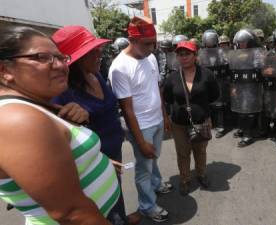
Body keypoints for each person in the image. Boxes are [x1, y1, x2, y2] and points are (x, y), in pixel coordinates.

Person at [0, 26, 120, 225]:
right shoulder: (18, 119)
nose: (60, 65)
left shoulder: (35, 105)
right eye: (42, 57)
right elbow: (71, 213)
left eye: (61, 57)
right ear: (5, 70)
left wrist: (97, 159)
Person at [51, 26, 141, 225]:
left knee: (115, 189)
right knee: (99, 202)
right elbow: (62, 143)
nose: (100, 54)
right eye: (93, 51)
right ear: (76, 59)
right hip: (93, 160)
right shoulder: (63, 93)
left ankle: (122, 219)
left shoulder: (96, 75)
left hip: (114, 150)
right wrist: (101, 160)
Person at [108, 16, 173, 223]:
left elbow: (156, 89)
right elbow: (126, 109)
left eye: (153, 43)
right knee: (143, 167)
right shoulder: (119, 67)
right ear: (131, 40)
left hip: (156, 121)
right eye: (146, 44)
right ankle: (147, 206)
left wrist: (164, 115)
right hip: (140, 127)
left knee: (153, 157)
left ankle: (157, 184)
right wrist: (141, 141)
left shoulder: (150, 57)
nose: (151, 48)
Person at [163, 41, 219, 196]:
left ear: (195, 55)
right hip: (179, 124)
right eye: (180, 54)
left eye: (187, 54)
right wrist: (166, 118)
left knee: (200, 151)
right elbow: (167, 98)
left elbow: (214, 95)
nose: (184, 57)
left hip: (201, 121)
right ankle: (185, 179)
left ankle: (201, 174)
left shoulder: (207, 74)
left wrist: (204, 113)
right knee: (182, 153)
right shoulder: (172, 78)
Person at [230, 29, 264, 147]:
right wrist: (233, 86)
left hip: (252, 85)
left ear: (250, 42)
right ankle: (242, 129)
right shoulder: (236, 52)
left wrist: (247, 58)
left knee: (249, 110)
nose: (242, 44)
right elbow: (233, 70)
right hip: (239, 85)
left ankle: (248, 135)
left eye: (244, 42)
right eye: (240, 42)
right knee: (240, 109)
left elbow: (260, 67)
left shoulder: (256, 53)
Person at [200, 30, 231, 138]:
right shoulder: (202, 53)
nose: (209, 43)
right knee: (208, 104)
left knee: (219, 104)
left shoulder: (221, 52)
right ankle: (211, 124)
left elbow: (227, 65)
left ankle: (221, 126)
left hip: (219, 80)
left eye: (211, 41)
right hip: (206, 81)